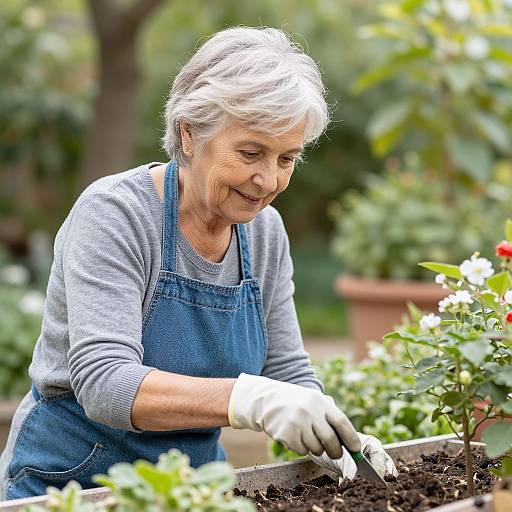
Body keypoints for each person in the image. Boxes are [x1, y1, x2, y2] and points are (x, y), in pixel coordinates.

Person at [0, 26, 396, 501]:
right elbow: (104, 381)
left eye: (287, 158)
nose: (268, 179)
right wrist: (249, 400)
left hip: (190, 490)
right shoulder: (116, 215)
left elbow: (286, 369)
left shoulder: (265, 232)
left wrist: (333, 437)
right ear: (190, 134)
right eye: (251, 152)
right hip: (72, 486)